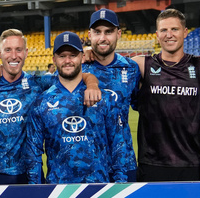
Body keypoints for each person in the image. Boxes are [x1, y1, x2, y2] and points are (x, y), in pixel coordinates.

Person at [0, 29, 100, 184]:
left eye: (19, 50)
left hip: (30, 172)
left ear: (26, 52)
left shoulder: (37, 83)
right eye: (8, 50)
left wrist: (92, 83)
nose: (14, 55)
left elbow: (74, 76)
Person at [25, 32, 125, 184]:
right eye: (62, 56)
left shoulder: (104, 98)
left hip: (99, 190)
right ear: (54, 59)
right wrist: (36, 191)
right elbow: (33, 155)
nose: (67, 60)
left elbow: (118, 145)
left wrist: (120, 185)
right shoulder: (42, 103)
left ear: (82, 57)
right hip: (57, 192)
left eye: (72, 55)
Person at [131, 8, 200, 182]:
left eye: (174, 29)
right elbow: (109, 66)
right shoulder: (142, 65)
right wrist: (87, 52)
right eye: (164, 30)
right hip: (152, 163)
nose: (169, 35)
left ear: (185, 32)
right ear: (157, 34)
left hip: (191, 163)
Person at [83, 9, 142, 182]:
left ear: (118, 34)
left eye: (108, 32)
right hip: (87, 164)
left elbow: (140, 104)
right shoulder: (77, 67)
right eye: (97, 32)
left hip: (124, 163)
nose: (103, 38)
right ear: (89, 35)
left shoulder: (131, 68)